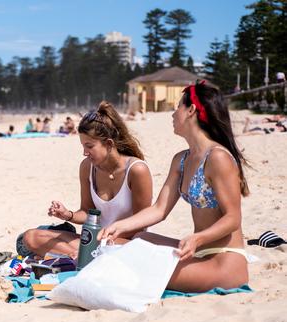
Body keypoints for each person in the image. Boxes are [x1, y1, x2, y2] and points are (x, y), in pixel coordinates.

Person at [99, 81, 250, 292]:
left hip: (223, 261)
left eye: (178, 106)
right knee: (139, 238)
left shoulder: (218, 157)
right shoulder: (181, 159)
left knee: (131, 265)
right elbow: (159, 209)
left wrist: (198, 238)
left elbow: (233, 218)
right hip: (197, 253)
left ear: (191, 110)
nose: (173, 113)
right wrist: (121, 226)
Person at [17, 101, 153, 259]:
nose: (84, 152)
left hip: (126, 243)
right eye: (83, 146)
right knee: (30, 237)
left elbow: (141, 224)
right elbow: (87, 213)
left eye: (89, 146)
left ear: (108, 144)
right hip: (96, 240)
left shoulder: (136, 170)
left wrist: (105, 236)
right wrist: (67, 214)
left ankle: (79, 256)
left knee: (83, 248)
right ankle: (82, 255)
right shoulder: (87, 167)